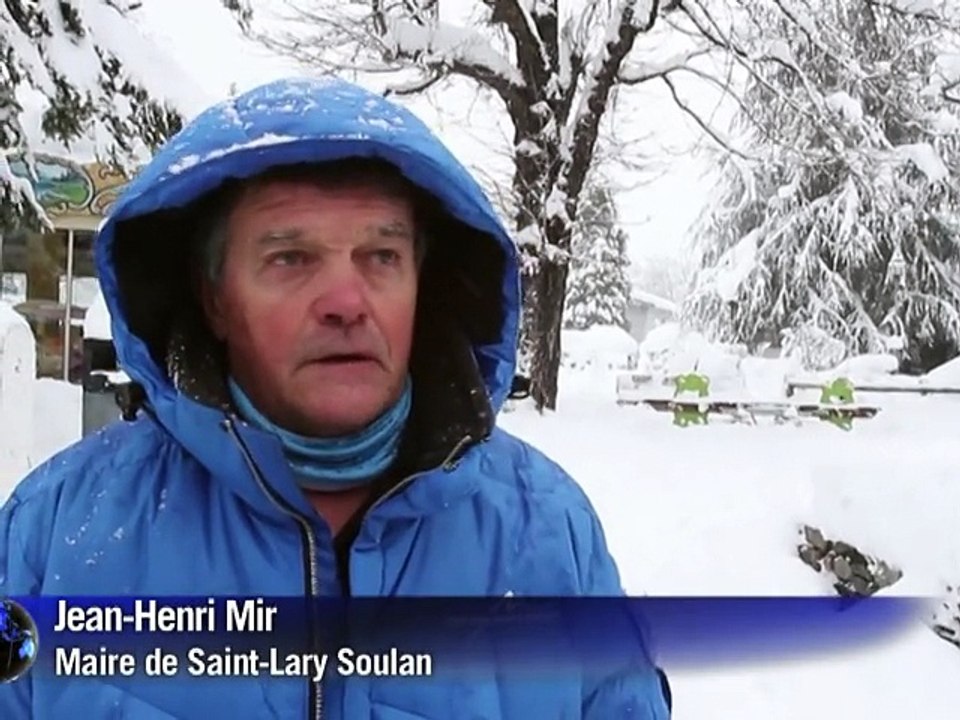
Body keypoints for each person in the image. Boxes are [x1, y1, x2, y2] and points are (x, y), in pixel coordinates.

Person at [0, 77, 670, 718]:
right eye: (290, 258)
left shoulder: (547, 533)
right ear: (215, 301)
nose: (347, 303)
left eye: (381, 257)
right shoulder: (56, 537)